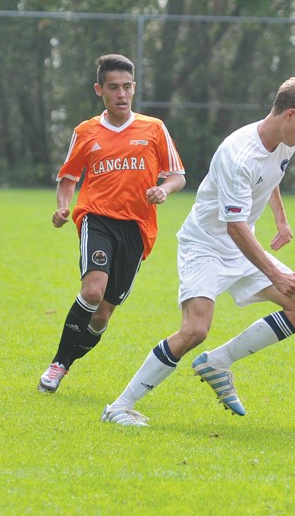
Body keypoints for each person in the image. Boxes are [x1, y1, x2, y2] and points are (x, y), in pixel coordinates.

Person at [101, 77, 295, 426]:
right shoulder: (238, 155)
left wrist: (281, 219)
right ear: (290, 115)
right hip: (205, 245)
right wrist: (276, 274)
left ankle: (218, 361)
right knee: (194, 330)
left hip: (240, 245)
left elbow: (270, 178)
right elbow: (234, 226)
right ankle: (118, 407)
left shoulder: (285, 140)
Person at [38, 54, 186, 393]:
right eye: (114, 87)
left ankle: (67, 361)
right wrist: (63, 208)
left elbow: (177, 175)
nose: (121, 94)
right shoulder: (86, 131)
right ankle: (58, 364)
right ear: (99, 90)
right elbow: (68, 177)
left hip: (137, 228)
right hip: (97, 218)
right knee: (92, 290)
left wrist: (163, 189)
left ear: (134, 88)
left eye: (127, 87)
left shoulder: (153, 128)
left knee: (102, 315)